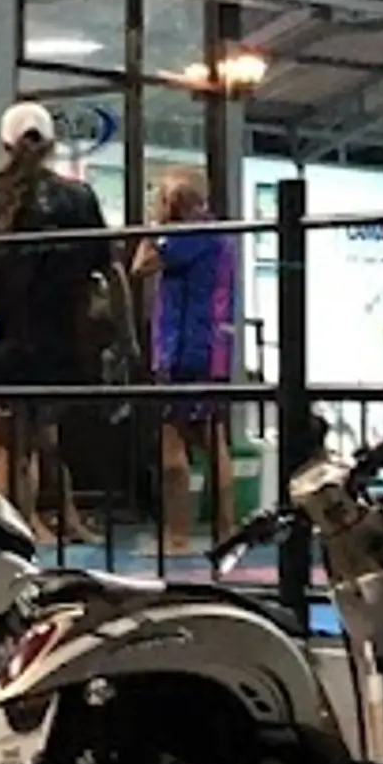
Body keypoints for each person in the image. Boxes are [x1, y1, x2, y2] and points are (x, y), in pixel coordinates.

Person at [0, 102, 111, 540]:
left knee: (9, 446)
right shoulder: (78, 197)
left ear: (4, 145)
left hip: (5, 340)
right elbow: (106, 263)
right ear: (51, 144)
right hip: (60, 342)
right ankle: (45, 521)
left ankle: (17, 529)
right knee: (42, 435)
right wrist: (123, 336)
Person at [135, 171, 237, 555]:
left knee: (175, 444)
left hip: (186, 350)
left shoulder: (188, 235)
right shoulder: (215, 234)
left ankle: (178, 534)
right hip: (210, 349)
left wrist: (153, 225)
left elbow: (140, 264)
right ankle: (226, 529)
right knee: (212, 439)